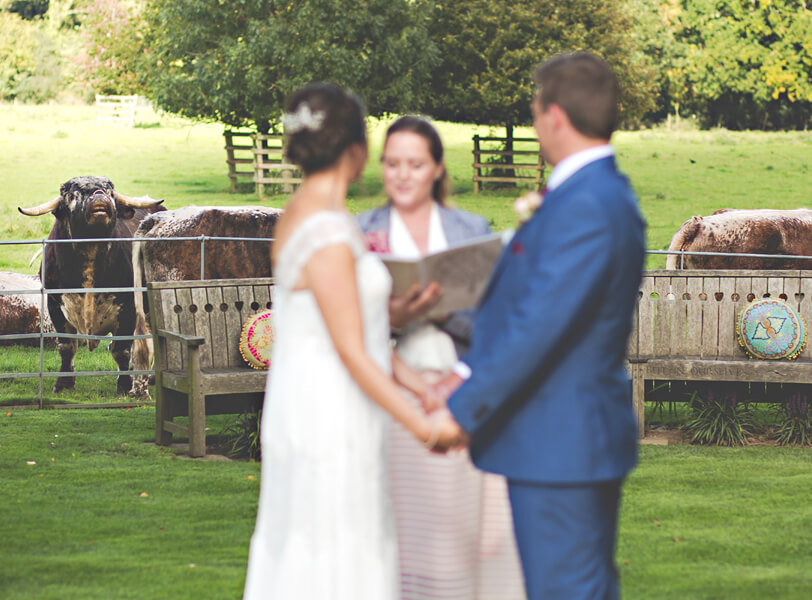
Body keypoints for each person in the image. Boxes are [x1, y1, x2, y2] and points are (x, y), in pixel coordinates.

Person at [435, 53, 647, 599]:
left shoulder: (587, 204)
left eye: (534, 111)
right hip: (565, 437)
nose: (534, 124)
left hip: (562, 442)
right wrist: (463, 368)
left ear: (554, 114)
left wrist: (463, 407)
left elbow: (541, 324)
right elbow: (526, 306)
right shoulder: (588, 195)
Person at [243, 84, 463, 600]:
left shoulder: (311, 213)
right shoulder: (328, 230)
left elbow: (361, 332)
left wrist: (419, 387)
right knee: (334, 553)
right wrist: (426, 427)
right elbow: (351, 350)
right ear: (359, 151)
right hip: (328, 411)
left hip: (321, 399)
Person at [356, 115, 525, 600]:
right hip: (391, 390)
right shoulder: (361, 229)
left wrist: (439, 311)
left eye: (414, 163)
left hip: (461, 388)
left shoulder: (469, 228)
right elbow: (353, 327)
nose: (402, 174)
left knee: (459, 524)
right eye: (392, 164)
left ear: (435, 168)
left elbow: (495, 321)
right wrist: (395, 316)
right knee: (401, 520)